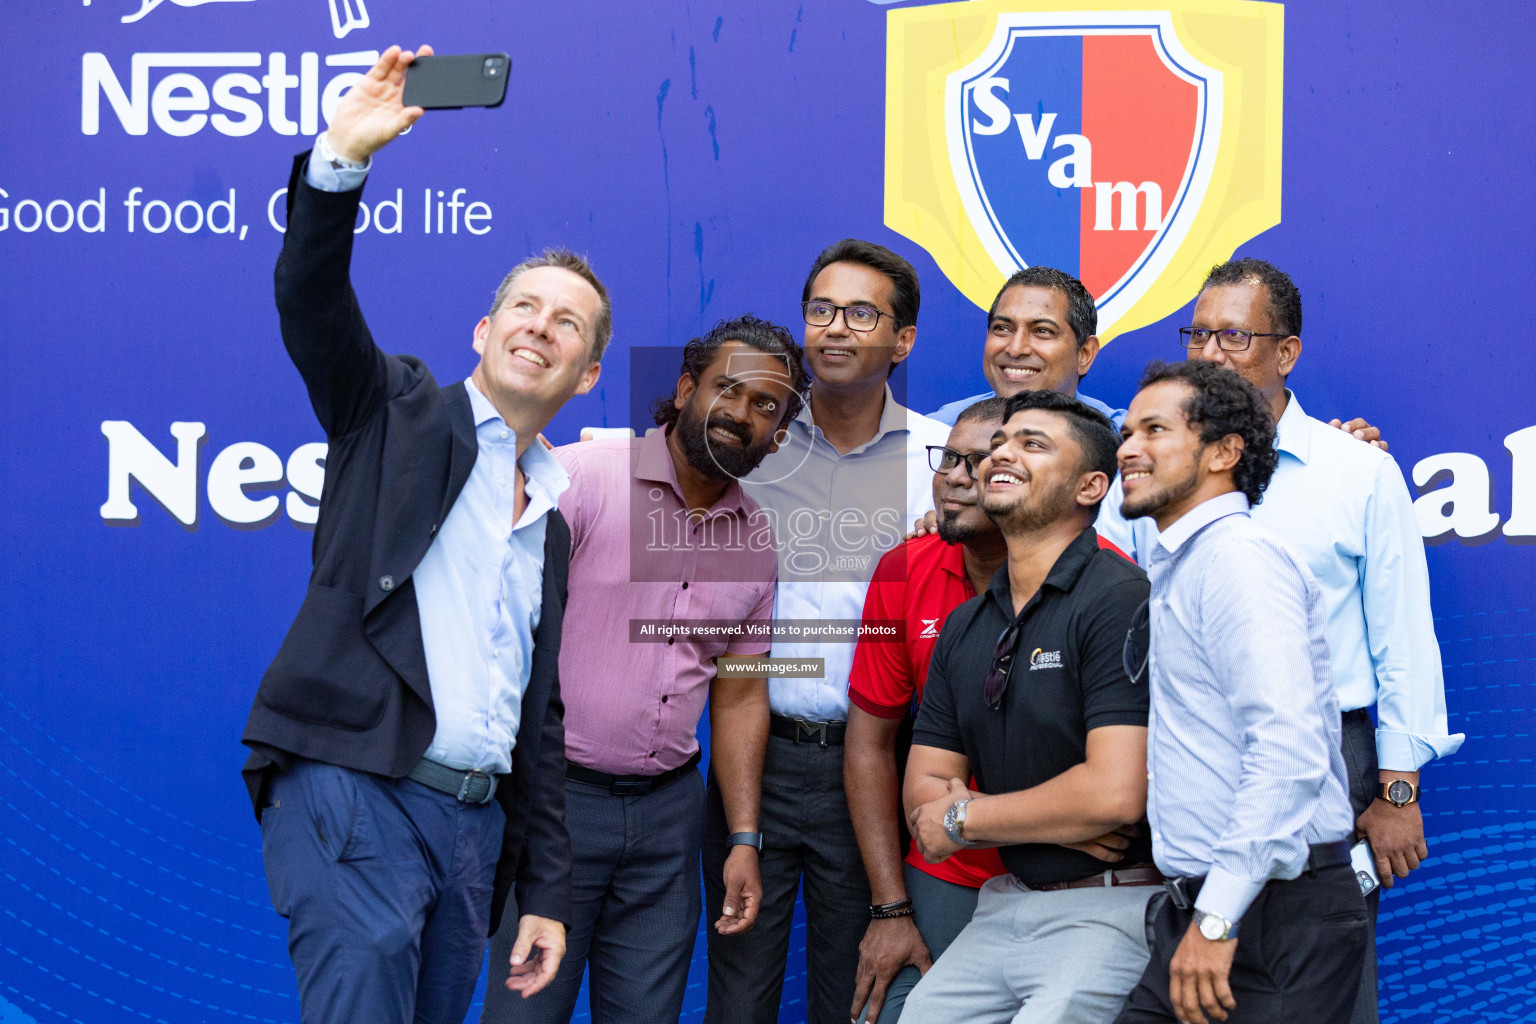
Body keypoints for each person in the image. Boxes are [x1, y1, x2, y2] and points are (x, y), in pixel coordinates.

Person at [241, 46, 594, 1024]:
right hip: (356, 785)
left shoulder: (555, 519)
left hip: (473, 830)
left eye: (568, 322)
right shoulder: (392, 409)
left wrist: (547, 893)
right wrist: (341, 160)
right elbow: (312, 301)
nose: (540, 326)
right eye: (523, 305)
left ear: (589, 374)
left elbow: (541, 722)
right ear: (482, 331)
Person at [1096, 259, 1464, 1023]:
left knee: (1324, 976)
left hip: (1328, 758)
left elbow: (1400, 637)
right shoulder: (1145, 493)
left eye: (1232, 333)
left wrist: (1398, 789)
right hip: (1191, 762)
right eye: (1197, 332)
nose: (1210, 349)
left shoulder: (1353, 470)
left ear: (1286, 352)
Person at [481, 317, 808, 1023]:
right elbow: (494, 625)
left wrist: (744, 837)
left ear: (779, 437)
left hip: (667, 822)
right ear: (688, 388)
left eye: (766, 407)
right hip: (553, 808)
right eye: (729, 388)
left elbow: (742, 693)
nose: (742, 415)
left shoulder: (757, 539)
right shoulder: (581, 481)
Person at [703, 240, 951, 1024]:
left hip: (873, 768)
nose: (834, 330)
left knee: (856, 1003)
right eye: (820, 310)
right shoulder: (752, 444)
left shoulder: (943, 460)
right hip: (757, 758)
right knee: (737, 1001)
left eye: (860, 313)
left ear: (902, 340)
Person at [843, 397, 1134, 1023]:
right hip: (990, 892)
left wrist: (965, 817)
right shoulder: (964, 623)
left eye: (1030, 445)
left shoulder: (1118, 593)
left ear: (1091, 486)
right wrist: (1054, 818)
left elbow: (1112, 795)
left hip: (1100, 902)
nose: (990, 460)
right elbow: (913, 785)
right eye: (993, 447)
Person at [1112, 360, 1368, 1024]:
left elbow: (1287, 751)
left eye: (1155, 430)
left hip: (1271, 919)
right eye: (1127, 430)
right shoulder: (1183, 562)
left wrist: (1218, 918)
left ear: (1226, 452)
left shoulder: (1236, 560)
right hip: (1210, 909)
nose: (1128, 448)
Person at [843, 398, 1011, 1024]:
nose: (956, 477)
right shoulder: (905, 567)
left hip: (1060, 879)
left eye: (980, 462)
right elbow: (869, 744)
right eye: (949, 460)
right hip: (946, 864)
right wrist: (890, 908)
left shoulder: (1104, 575)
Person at [927, 266, 1124, 427]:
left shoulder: (1130, 444)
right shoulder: (940, 431)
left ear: (1085, 353)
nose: (1016, 348)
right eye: (1003, 328)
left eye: (1042, 331)